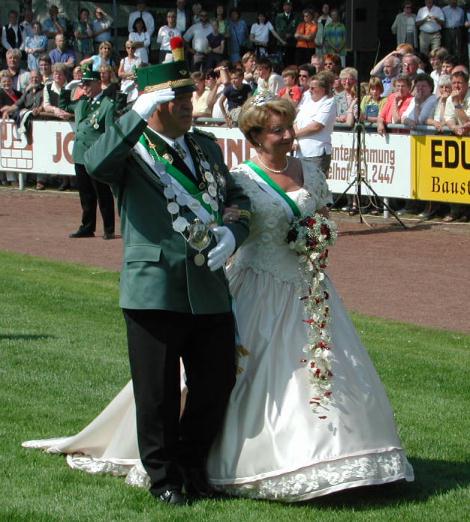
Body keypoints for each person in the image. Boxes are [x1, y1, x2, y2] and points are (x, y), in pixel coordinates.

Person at [23, 93, 414, 503]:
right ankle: (165, 478)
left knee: (219, 381)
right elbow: (97, 164)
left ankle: (198, 466)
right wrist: (135, 113)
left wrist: (238, 232)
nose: (187, 105)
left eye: (288, 127)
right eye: (176, 99)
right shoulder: (135, 150)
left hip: (249, 285)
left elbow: (235, 203)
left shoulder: (206, 149)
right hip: (167, 282)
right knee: (160, 389)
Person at [58, 68, 117, 239]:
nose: (85, 88)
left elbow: (109, 133)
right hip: (80, 154)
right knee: (85, 194)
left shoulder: (107, 104)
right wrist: (67, 87)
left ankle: (108, 229)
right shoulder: (82, 102)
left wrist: (105, 155)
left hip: (96, 155)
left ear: (98, 83)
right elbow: (64, 105)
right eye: (83, 85)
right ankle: (87, 226)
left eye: (88, 84)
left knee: (103, 193)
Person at [294, 71, 336, 177]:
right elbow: (295, 120)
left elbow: (316, 126)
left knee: (315, 184)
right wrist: (294, 138)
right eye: (310, 87)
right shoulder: (307, 99)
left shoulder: (329, 102)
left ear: (323, 89)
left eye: (313, 88)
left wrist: (294, 134)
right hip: (299, 152)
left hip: (316, 153)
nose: (310, 90)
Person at [274, 0, 300, 66]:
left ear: (291, 7)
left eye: (289, 6)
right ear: (283, 7)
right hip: (282, 42)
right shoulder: (279, 16)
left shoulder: (295, 16)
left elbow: (298, 28)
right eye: (286, 5)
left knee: (291, 61)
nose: (287, 7)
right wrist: (284, 35)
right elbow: (278, 29)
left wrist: (291, 34)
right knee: (281, 61)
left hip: (292, 42)